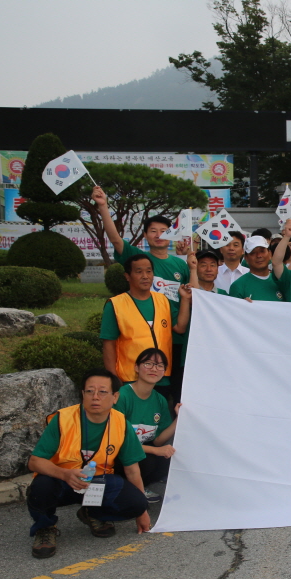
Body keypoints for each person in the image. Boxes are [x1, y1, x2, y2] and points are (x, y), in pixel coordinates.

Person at [26, 369, 150, 558]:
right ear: (82, 394)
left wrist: (142, 511)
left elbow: (132, 470)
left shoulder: (121, 423)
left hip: (97, 483)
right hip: (63, 482)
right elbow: (35, 462)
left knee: (136, 502)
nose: (95, 397)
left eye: (102, 392)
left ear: (115, 397)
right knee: (42, 486)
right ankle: (45, 527)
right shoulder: (63, 419)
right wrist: (65, 474)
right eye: (89, 391)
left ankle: (92, 513)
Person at [94, 186, 191, 397]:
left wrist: (190, 259)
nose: (159, 235)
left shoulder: (180, 264)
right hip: (143, 337)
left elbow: (190, 294)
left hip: (174, 336)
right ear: (146, 235)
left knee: (171, 392)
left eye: (164, 231)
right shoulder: (138, 258)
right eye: (153, 231)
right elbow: (116, 239)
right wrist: (103, 207)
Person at [100, 254, 191, 397]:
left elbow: (180, 328)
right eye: (139, 271)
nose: (145, 276)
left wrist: (185, 299)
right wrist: (112, 378)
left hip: (162, 378)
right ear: (127, 276)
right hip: (130, 378)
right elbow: (108, 344)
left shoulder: (163, 300)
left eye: (149, 271)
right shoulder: (115, 305)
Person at [114, 348, 179, 502]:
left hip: (140, 449)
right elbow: (119, 442)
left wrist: (179, 418)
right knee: (148, 460)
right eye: (148, 363)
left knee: (168, 458)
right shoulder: (122, 396)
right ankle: (130, 489)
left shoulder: (160, 400)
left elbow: (158, 440)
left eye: (159, 365)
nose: (154, 369)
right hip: (116, 453)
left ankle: (134, 486)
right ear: (136, 367)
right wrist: (156, 451)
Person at [229, 236, 283, 301]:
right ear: (246, 258)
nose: (259, 256)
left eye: (262, 251)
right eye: (253, 253)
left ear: (270, 254)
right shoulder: (238, 286)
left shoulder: (281, 281)